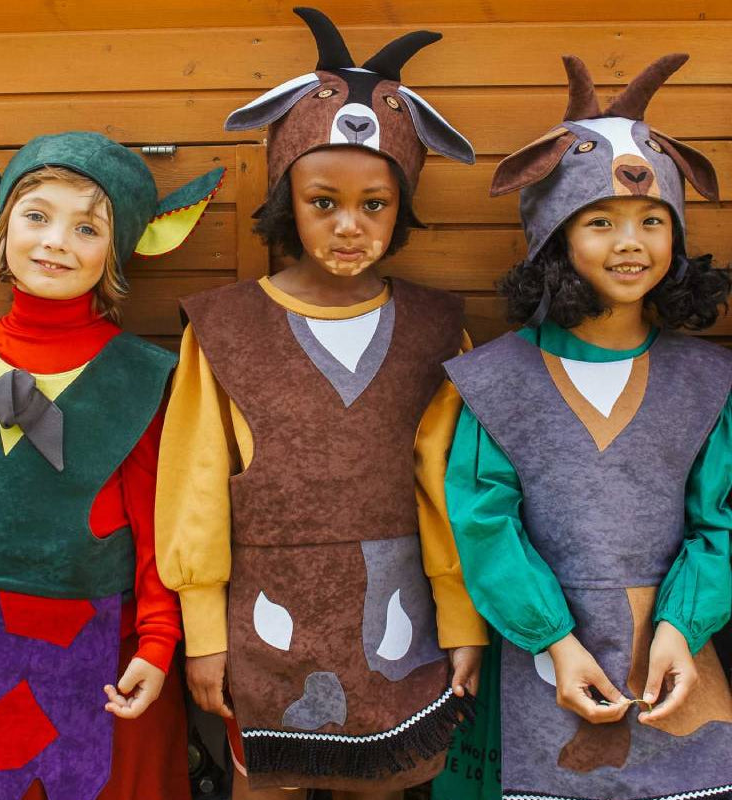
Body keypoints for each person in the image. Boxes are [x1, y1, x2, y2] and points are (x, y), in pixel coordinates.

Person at [156, 7, 488, 797]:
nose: (349, 226)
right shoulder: (225, 327)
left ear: (401, 205)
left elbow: (456, 488)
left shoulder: (437, 329)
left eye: (374, 205)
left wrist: (461, 619)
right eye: (323, 202)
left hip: (397, 619)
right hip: (265, 620)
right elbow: (196, 488)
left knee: (383, 780)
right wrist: (203, 633)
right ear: (286, 198)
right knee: (264, 783)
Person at [444, 54, 732, 800]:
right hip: (544, 663)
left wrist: (683, 629)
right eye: (600, 222)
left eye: (651, 221)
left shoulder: (707, 381)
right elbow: (484, 524)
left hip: (675, 659)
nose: (629, 242)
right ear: (554, 241)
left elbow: (720, 521)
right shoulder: (498, 379)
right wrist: (552, 640)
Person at [0, 128, 224, 800]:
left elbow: (161, 521)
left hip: (103, 649)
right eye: (36, 217)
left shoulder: (141, 377)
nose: (56, 241)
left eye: (87, 228)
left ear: (118, 251)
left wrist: (157, 641)